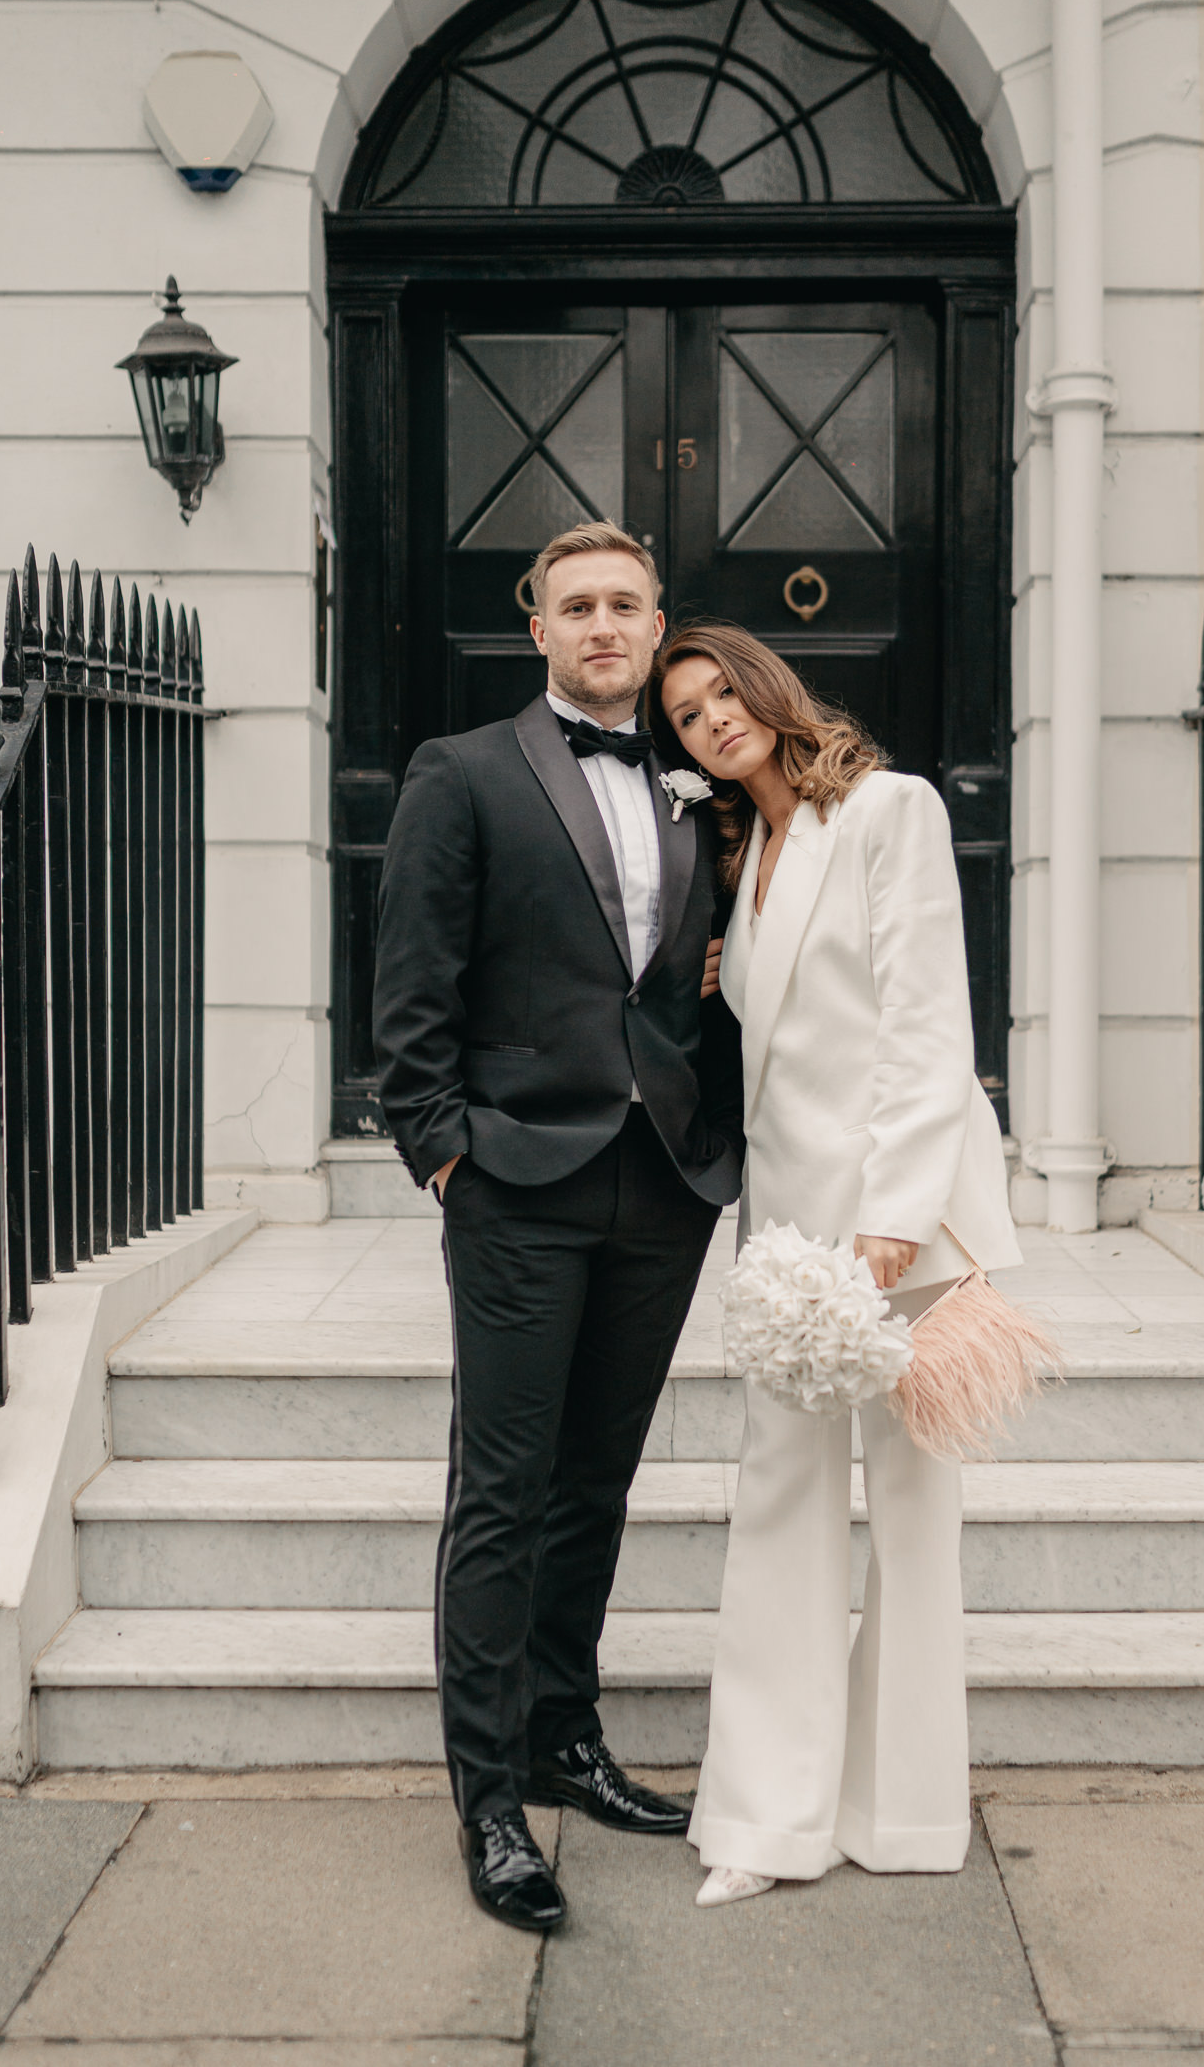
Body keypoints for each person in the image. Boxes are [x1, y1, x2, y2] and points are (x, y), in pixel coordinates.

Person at [372, 523, 743, 1935]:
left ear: (659, 628)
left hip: (661, 1184)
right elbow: (410, 983)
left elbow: (711, 980)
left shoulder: (705, 787)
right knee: (504, 1491)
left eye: (626, 604)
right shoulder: (461, 773)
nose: (603, 624)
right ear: (540, 627)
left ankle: (563, 1735)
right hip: (515, 1180)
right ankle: (488, 1797)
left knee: (597, 1480)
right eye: (576, 604)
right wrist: (443, 1153)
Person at [653, 620, 1021, 1908]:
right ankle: (764, 1820)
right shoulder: (740, 855)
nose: (712, 720)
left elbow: (930, 1028)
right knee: (780, 1508)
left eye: (723, 693)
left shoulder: (889, 810)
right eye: (686, 714)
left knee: (915, 1525)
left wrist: (894, 1228)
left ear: (770, 687)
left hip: (894, 1230)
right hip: (789, 1239)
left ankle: (906, 1812)